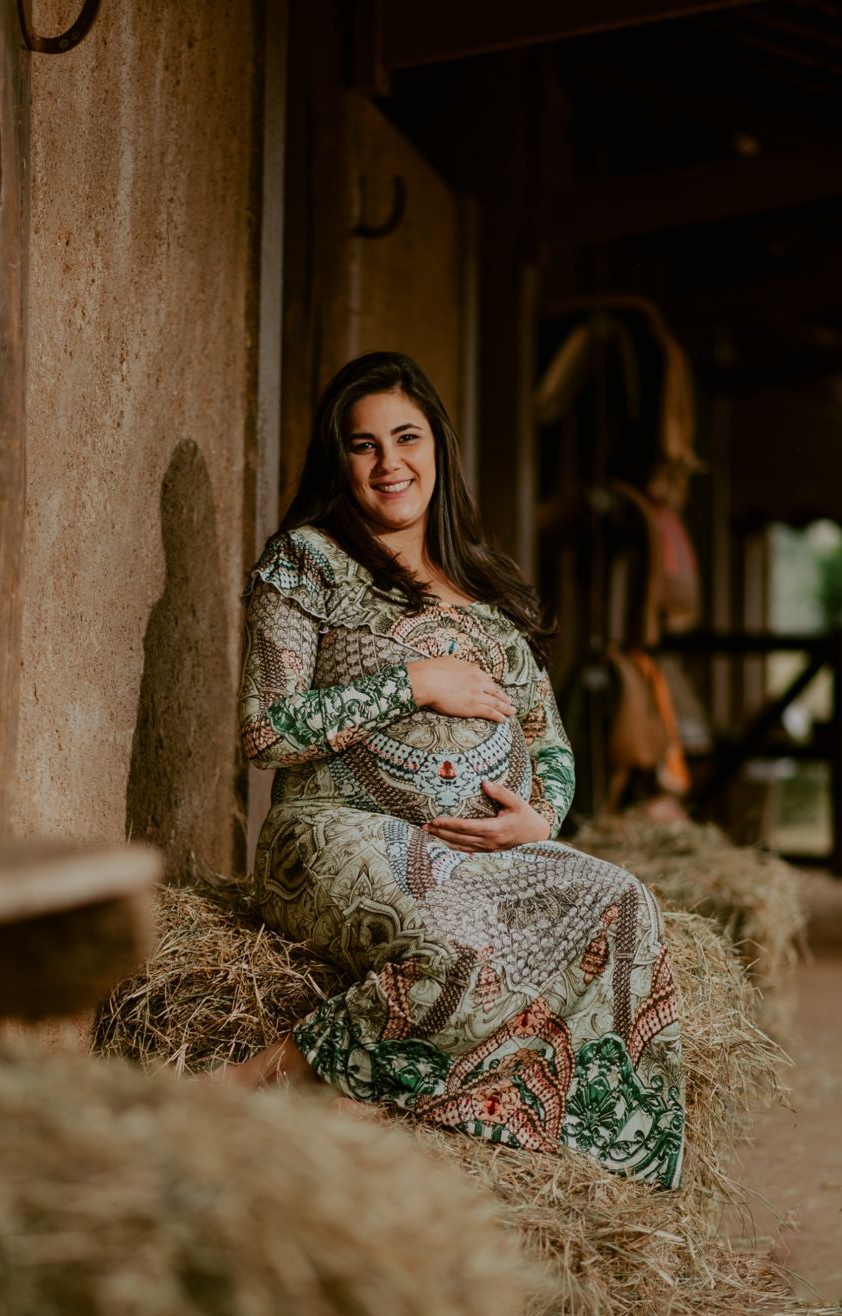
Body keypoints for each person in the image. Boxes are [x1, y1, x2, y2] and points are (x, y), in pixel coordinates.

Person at [231, 351, 683, 1188]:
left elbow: (550, 741)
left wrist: (540, 818)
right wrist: (411, 681)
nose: (389, 463)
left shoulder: (487, 589)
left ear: (439, 446)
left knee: (626, 908)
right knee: (469, 958)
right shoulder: (309, 563)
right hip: (333, 833)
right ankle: (251, 1089)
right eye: (363, 446)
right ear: (340, 460)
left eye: (406, 438)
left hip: (476, 853)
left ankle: (562, 1166)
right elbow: (265, 730)